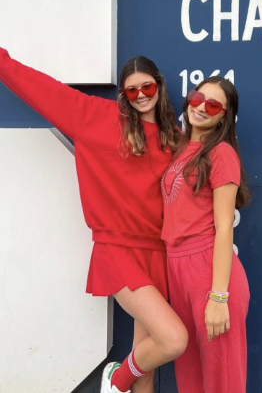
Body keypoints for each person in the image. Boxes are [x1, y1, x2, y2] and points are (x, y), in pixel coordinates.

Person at [0, 48, 188, 393]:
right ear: (123, 94)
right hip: (118, 250)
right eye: (132, 90)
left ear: (159, 86)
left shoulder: (174, 137)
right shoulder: (96, 117)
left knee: (146, 364)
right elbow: (39, 88)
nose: (142, 95)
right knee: (173, 339)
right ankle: (116, 377)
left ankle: (126, 377)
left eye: (147, 86)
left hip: (159, 253)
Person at [161, 76, 251, 393]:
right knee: (190, 377)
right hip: (177, 267)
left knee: (221, 378)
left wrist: (218, 296)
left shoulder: (222, 153)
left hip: (207, 269)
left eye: (212, 104)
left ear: (223, 115)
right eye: (197, 97)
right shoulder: (182, 146)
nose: (201, 107)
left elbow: (224, 227)